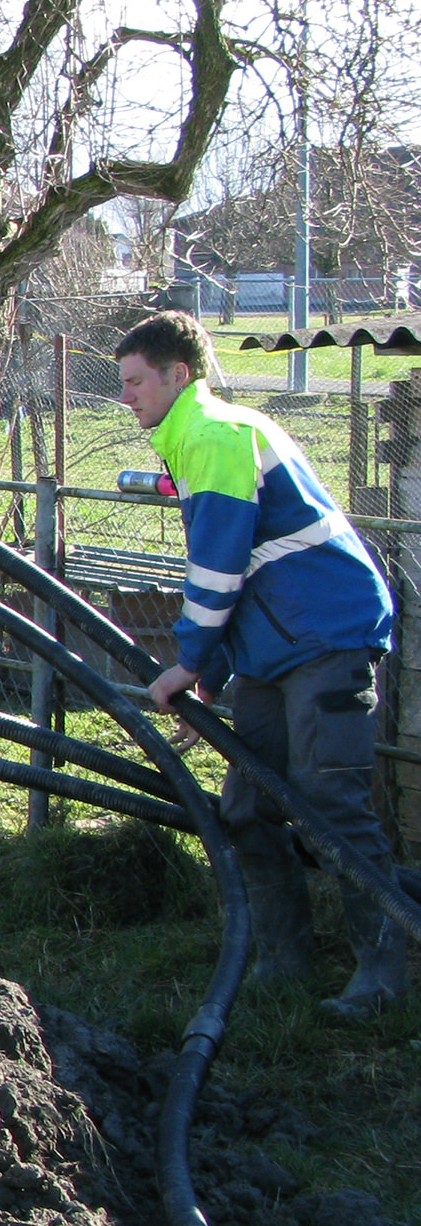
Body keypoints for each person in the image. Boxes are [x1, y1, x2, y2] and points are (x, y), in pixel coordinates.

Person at [118, 309, 404, 1020]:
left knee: (327, 800)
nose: (126, 397)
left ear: (178, 375)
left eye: (134, 382)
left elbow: (217, 567)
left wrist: (188, 662)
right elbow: (244, 569)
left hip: (325, 636)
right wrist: (214, 678)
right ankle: (284, 959)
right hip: (275, 645)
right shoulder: (197, 438)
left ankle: (384, 974)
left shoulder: (215, 435)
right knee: (248, 807)